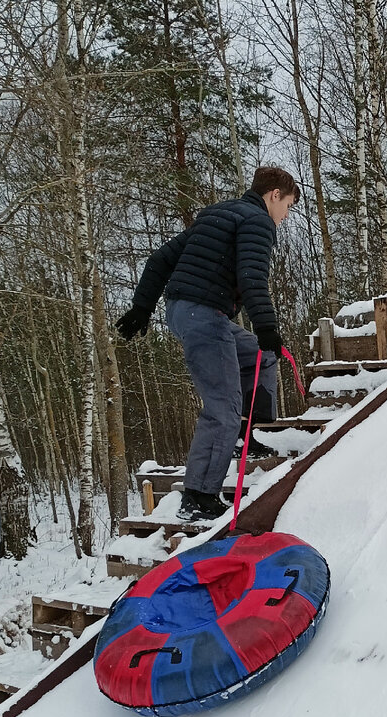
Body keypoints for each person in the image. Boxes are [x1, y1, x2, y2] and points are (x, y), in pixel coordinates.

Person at [116, 166, 300, 523]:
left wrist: (142, 308)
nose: (285, 216)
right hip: (206, 315)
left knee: (259, 357)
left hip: (185, 311)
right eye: (288, 207)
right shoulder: (257, 221)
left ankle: (247, 435)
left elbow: (160, 260)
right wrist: (267, 327)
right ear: (274, 195)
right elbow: (251, 277)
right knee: (222, 406)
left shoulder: (217, 214)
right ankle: (198, 495)